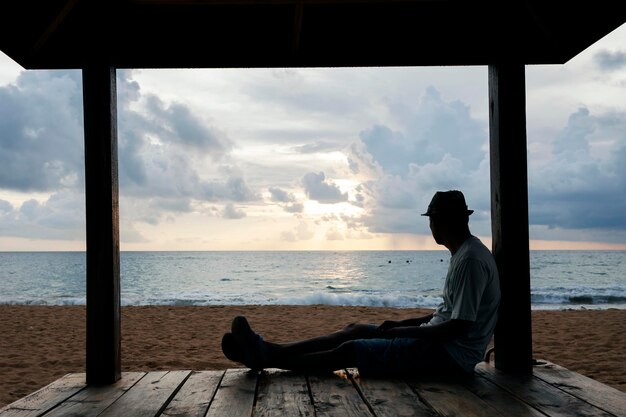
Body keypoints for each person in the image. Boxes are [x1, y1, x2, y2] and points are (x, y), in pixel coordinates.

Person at [221, 190, 501, 377]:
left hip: (450, 358)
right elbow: (449, 313)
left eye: (433, 220)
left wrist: (406, 332)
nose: (431, 227)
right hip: (437, 345)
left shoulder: (470, 260)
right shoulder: (462, 254)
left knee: (352, 349)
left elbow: (460, 326)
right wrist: (405, 324)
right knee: (354, 330)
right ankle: (265, 350)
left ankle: (265, 357)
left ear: (444, 222)